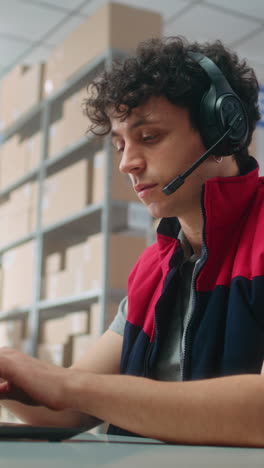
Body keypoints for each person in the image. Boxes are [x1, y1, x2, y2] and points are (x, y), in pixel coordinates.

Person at [0, 36, 263, 447]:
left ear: (224, 129)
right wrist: (11, 376)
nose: (127, 163)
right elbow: (71, 410)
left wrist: (68, 385)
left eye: (150, 136)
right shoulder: (152, 270)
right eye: (120, 144)